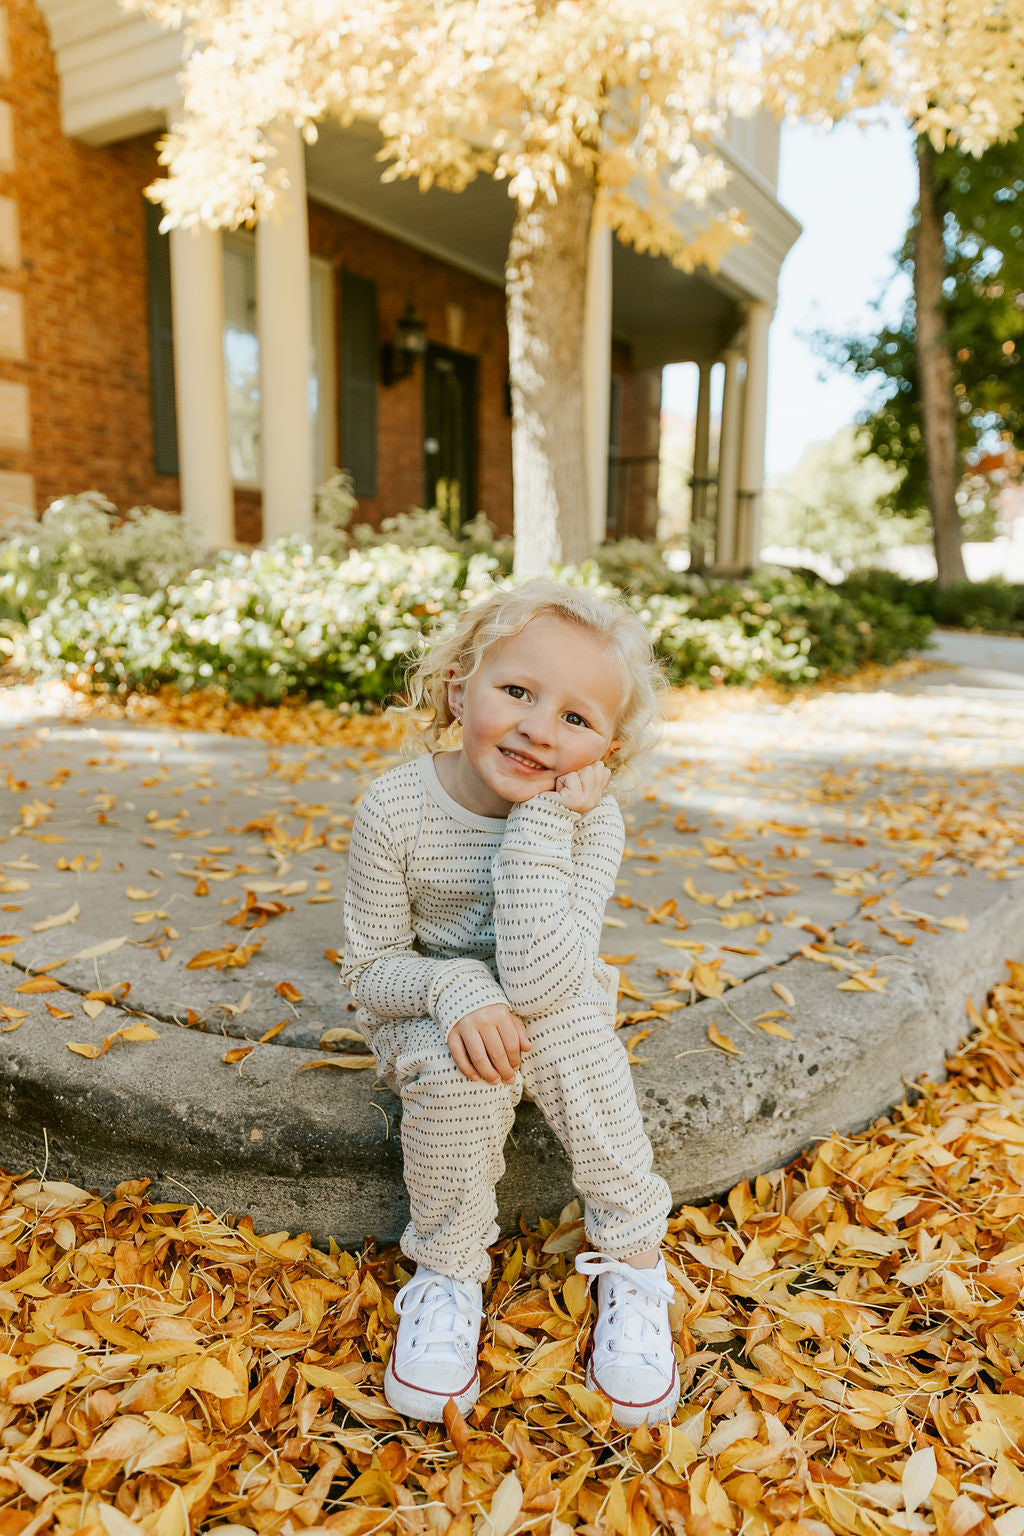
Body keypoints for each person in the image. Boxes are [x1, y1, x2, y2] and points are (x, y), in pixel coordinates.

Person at [340, 578, 679, 1430]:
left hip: (553, 998)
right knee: (464, 1072)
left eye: (576, 719)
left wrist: (540, 824)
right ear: (460, 686)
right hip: (429, 1013)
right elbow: (371, 971)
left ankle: (636, 1266)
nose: (539, 728)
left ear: (607, 750)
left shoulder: (590, 821)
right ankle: (449, 1274)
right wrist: (454, 988)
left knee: (577, 1044)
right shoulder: (396, 807)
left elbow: (543, 980)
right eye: (518, 692)